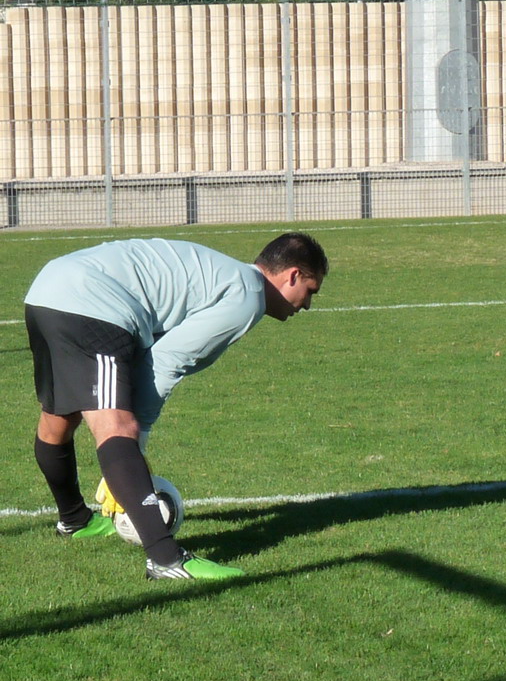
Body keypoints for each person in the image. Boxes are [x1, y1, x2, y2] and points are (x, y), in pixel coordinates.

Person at [26, 232, 329, 579]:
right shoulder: (247, 296)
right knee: (117, 425)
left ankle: (75, 520)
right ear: (291, 275)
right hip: (92, 303)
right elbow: (167, 362)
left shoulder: (227, 276)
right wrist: (134, 445)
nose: (306, 305)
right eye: (310, 291)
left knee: (57, 417)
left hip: (47, 290)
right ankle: (166, 559)